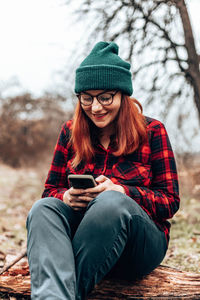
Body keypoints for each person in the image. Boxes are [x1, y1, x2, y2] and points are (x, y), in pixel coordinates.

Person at [26, 41, 180, 300]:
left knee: (111, 202)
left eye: (105, 97)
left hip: (138, 246)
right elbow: (49, 191)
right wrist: (65, 197)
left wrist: (122, 191)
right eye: (87, 98)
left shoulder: (152, 131)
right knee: (43, 209)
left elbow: (170, 202)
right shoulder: (70, 132)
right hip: (82, 240)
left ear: (122, 94)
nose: (95, 107)